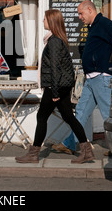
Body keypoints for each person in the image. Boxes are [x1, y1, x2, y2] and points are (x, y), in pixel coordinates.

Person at [16, 9, 94, 164]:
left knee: (42, 116)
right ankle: (86, 152)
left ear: (51, 22)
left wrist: (55, 92)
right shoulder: (56, 40)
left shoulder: (54, 42)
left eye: (44, 19)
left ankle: (33, 154)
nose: (43, 22)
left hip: (55, 86)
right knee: (68, 117)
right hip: (61, 85)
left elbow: (54, 68)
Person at [53, 0, 112, 155]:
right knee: (80, 112)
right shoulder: (92, 27)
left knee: (107, 114)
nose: (80, 17)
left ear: (90, 10)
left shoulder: (105, 24)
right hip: (91, 79)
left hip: (101, 77)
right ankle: (70, 143)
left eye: (81, 13)